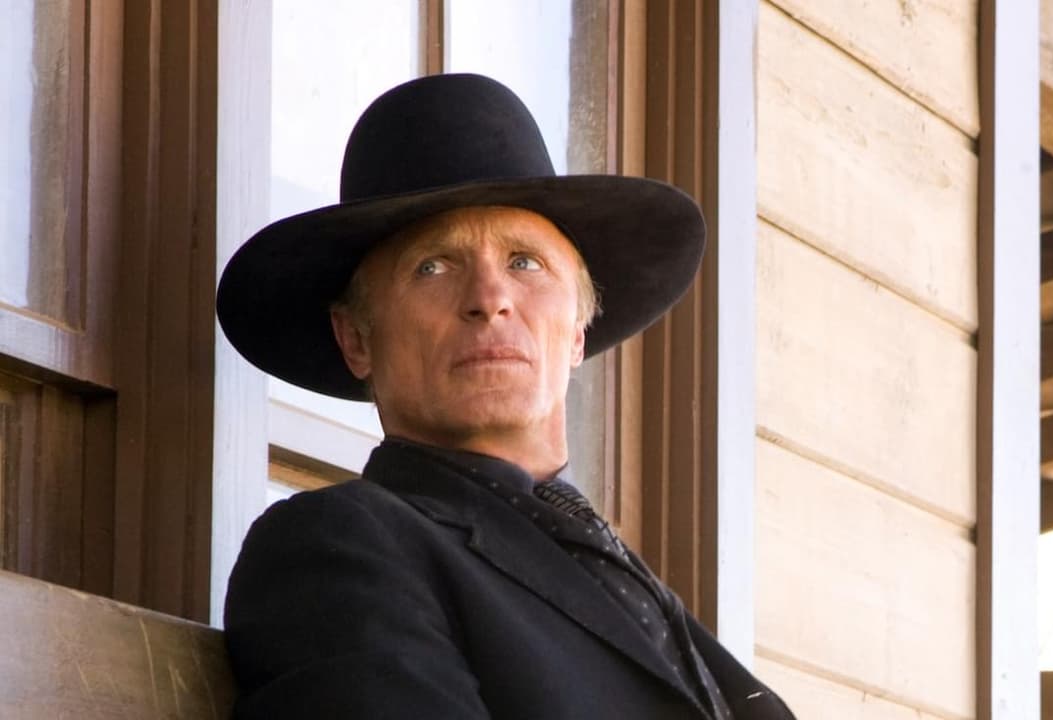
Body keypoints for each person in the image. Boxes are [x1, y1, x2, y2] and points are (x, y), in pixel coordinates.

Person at [216, 73, 793, 719]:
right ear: (356, 339)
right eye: (433, 266)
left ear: (578, 330)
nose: (489, 298)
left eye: (525, 262)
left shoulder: (622, 578)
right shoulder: (337, 545)